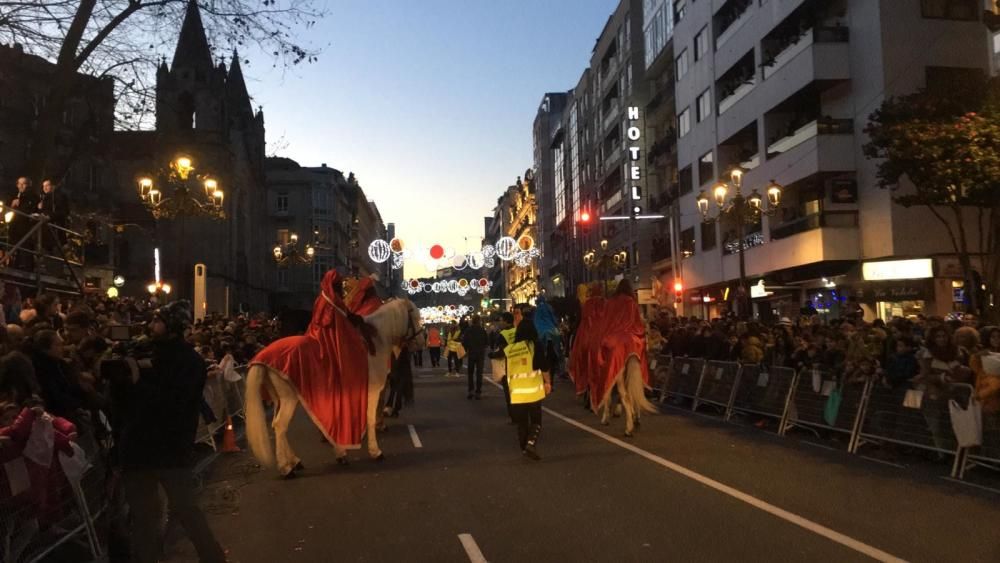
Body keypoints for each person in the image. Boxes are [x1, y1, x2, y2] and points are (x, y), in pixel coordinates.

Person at [116, 301, 227, 563]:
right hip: (137, 448)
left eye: (158, 320)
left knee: (186, 508)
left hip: (170, 448)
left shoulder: (189, 361)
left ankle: (212, 557)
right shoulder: (141, 353)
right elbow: (121, 402)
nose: (152, 325)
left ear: (173, 326)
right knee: (144, 516)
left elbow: (174, 403)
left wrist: (137, 382)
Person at [505, 311, 552, 460]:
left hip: (516, 391)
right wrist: (548, 382)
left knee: (522, 422)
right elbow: (543, 365)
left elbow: (506, 369)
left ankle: (524, 446)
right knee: (536, 420)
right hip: (533, 390)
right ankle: (531, 442)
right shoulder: (534, 346)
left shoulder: (511, 349)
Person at [489, 312, 517, 423]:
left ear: (506, 321)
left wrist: (492, 355)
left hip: (507, 365)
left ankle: (514, 416)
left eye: (501, 320)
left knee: (509, 392)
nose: (500, 322)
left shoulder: (503, 334)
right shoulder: (517, 331)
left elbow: (502, 352)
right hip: (519, 364)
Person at [8, 177, 39, 270]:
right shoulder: (13, 195)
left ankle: (26, 269)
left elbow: (32, 211)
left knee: (26, 250)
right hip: (14, 227)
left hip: (26, 228)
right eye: (19, 183)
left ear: (28, 185)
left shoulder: (33, 196)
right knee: (14, 248)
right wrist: (12, 205)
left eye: (23, 183)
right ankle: (13, 265)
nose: (21, 186)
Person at [37, 178, 70, 252]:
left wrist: (50, 216)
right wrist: (39, 209)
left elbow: (63, 211)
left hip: (56, 228)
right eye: (43, 186)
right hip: (46, 229)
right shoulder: (44, 197)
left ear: (53, 186)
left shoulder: (59, 196)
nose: (44, 188)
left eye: (47, 185)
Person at [462, 314, 488, 399]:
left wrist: (466, 350)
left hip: (471, 353)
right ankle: (478, 392)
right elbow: (487, 342)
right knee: (479, 373)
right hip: (480, 353)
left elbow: (464, 342)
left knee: (470, 373)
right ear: (479, 321)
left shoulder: (468, 330)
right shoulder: (482, 330)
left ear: (472, 321)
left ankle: (471, 391)